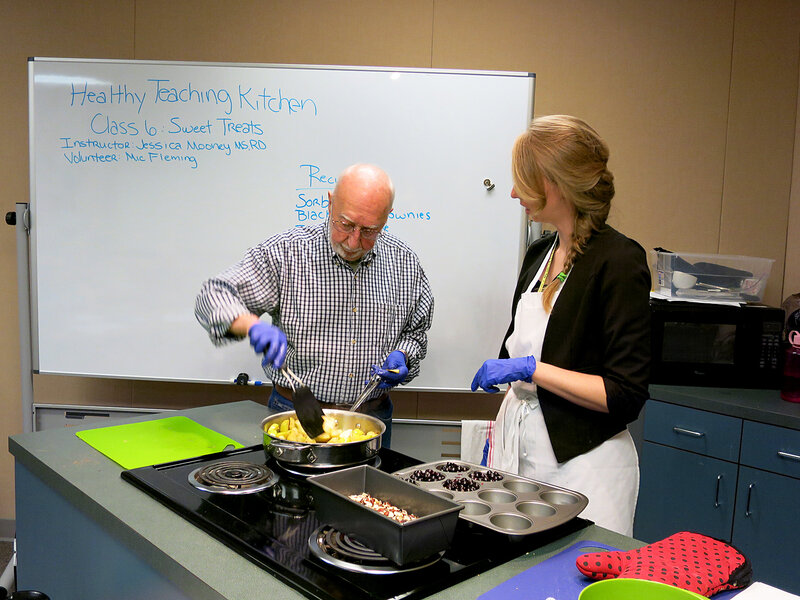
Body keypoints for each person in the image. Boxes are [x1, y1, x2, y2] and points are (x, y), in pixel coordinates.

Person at [470, 115, 650, 535]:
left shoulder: (619, 262)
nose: (513, 192)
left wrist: (533, 370)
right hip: (522, 456)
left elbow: (625, 395)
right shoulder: (539, 254)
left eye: (523, 182)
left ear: (554, 185)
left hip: (586, 469)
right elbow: (516, 351)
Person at [195, 163, 434, 447]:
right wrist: (250, 325)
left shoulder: (403, 262)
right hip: (295, 416)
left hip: (372, 418)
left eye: (370, 230)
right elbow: (213, 294)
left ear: (386, 219)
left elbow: (415, 331)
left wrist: (403, 355)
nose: (354, 241)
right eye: (345, 224)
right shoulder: (288, 252)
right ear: (330, 203)